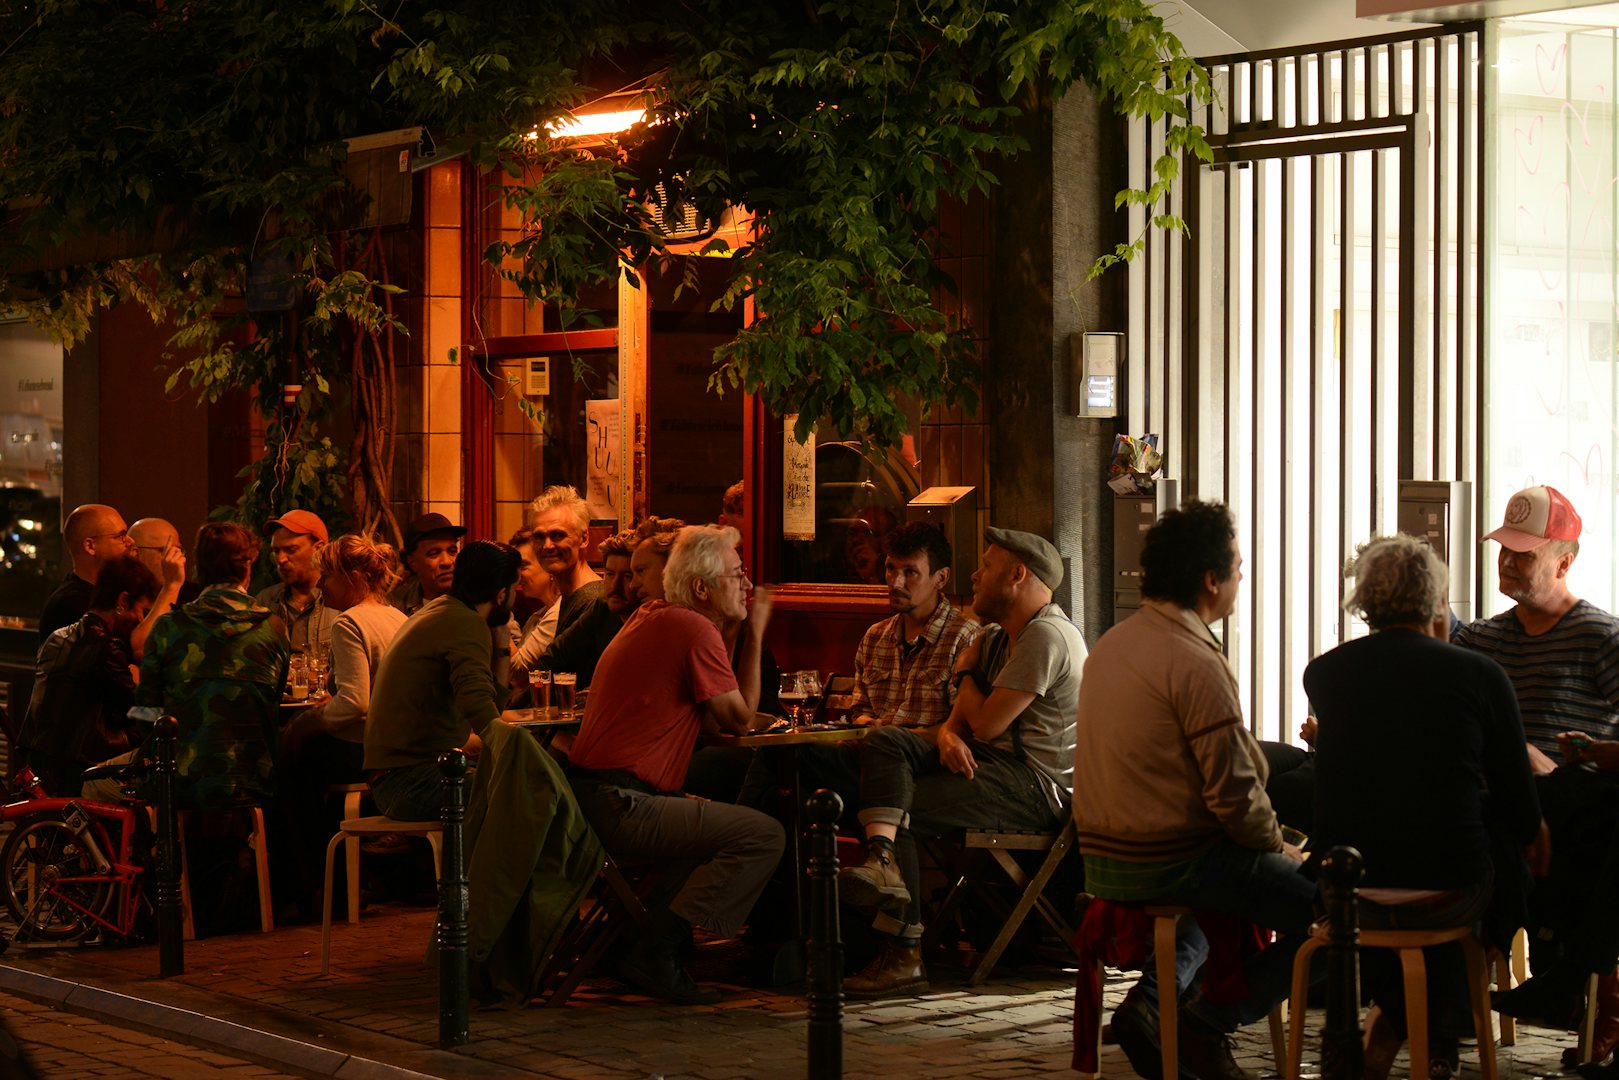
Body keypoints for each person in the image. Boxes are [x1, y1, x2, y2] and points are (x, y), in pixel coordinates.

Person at [1072, 501, 1312, 1080]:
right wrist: (1276, 845)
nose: (1240, 579)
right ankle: (1211, 1018)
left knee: (1232, 884)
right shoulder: (1195, 658)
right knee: (1342, 915)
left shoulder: (1113, 644)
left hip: (1103, 858)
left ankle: (1154, 1003)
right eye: (1237, 567)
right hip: (1172, 860)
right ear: (1211, 581)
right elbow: (1235, 798)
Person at [1307, 534, 1542, 1080]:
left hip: (1346, 896)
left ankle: (1399, 1027)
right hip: (1449, 895)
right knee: (1499, 857)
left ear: (1363, 598)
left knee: (1407, 856)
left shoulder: (1325, 673)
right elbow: (1519, 803)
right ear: (1438, 597)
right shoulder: (1480, 675)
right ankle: (1439, 1025)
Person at [837, 526, 1081, 999]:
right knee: (886, 742)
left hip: (1036, 788)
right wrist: (948, 735)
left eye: (986, 566)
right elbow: (959, 724)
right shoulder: (996, 638)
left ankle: (904, 955)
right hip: (989, 767)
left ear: (1016, 575)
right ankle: (883, 860)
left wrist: (966, 671)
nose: (975, 574)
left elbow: (986, 725)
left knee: (896, 808)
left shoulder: (1046, 635)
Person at [566, 525, 783, 1004]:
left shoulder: (655, 616)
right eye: (736, 574)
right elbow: (741, 720)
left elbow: (710, 720)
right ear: (702, 588)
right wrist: (755, 630)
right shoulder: (692, 627)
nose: (746, 585)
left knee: (709, 827)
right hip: (622, 802)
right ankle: (656, 951)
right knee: (763, 834)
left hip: (595, 795)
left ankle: (634, 943)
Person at [1454, 486, 1619, 1061]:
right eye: (1503, 549)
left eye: (1524, 554)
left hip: (1566, 805)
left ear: (1564, 562)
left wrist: (1586, 753)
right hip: (1489, 800)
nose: (1507, 561)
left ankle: (1580, 982)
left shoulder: (1601, 637)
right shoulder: (1479, 638)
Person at [97, 522, 291, 812]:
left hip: (179, 782)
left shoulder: (168, 627)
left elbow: (146, 714)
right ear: (247, 567)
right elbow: (272, 700)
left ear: (198, 568)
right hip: (255, 781)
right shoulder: (273, 627)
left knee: (93, 784)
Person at [278, 533, 409, 915]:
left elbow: (354, 702)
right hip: (391, 742)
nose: (319, 585)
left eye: (327, 577)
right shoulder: (395, 617)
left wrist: (310, 718)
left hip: (363, 747)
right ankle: (350, 883)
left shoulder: (349, 623)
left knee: (290, 766)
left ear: (353, 577)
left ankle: (315, 889)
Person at [364, 540, 519, 821]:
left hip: (401, 776)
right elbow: (480, 709)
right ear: (501, 594)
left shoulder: (447, 611)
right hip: (409, 781)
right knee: (523, 792)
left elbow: (486, 709)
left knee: (516, 786)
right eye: (515, 589)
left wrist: (502, 643)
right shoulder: (463, 622)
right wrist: (524, 752)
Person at [16, 556, 159, 796]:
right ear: (123, 600)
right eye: (141, 610)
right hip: (78, 768)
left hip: (40, 762)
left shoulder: (58, 637)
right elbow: (135, 707)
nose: (141, 619)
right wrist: (167, 714)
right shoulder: (105, 647)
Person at [849, 521, 981, 731]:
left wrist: (892, 736)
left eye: (910, 572)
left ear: (941, 578)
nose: (896, 583)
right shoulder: (875, 636)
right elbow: (859, 710)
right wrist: (866, 723)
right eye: (891, 568)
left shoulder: (965, 637)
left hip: (926, 756)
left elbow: (962, 726)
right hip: (869, 748)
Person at [529, 528, 641, 695]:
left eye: (627, 576)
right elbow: (554, 658)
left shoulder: (655, 619)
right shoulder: (603, 606)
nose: (615, 586)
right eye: (610, 574)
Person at [39, 503, 135, 641]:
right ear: (90, 546)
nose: (131, 541)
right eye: (121, 535)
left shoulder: (111, 594)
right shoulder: (70, 605)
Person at [254, 509, 339, 657]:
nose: (281, 559)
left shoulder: (340, 602)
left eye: (291, 549)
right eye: (276, 551)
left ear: (318, 549)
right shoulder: (265, 602)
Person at [530, 485, 601, 637]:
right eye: (539, 537)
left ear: (584, 538)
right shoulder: (569, 598)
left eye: (558, 535)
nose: (547, 546)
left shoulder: (592, 602)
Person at [127, 516, 198, 659]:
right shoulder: (120, 599)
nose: (176, 560)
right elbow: (143, 649)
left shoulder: (195, 597)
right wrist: (171, 586)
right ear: (135, 554)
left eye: (178, 551)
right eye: (167, 551)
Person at [506, 526, 561, 679]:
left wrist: (497, 613)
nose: (516, 576)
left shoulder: (558, 614)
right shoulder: (536, 617)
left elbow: (517, 672)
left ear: (547, 565)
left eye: (523, 566)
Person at [387, 512, 466, 616]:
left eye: (452, 551)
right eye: (434, 553)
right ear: (412, 563)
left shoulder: (476, 601)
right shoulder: (395, 606)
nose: (447, 562)